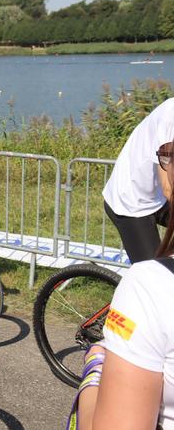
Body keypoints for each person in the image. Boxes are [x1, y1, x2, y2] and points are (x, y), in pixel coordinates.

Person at [69, 140, 174, 429]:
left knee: (151, 283)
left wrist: (95, 368)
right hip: (129, 202)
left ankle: (128, 338)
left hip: (150, 200)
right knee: (150, 274)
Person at [102, 97, 174, 263]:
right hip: (130, 202)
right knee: (154, 271)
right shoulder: (170, 118)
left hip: (155, 197)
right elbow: (168, 188)